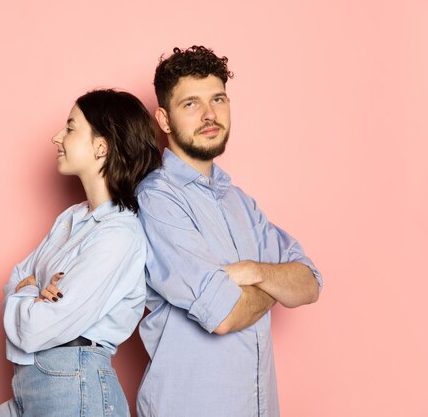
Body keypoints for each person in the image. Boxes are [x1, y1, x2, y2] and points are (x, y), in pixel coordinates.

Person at [135, 46, 323, 417]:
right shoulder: (157, 199)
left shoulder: (240, 203)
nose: (209, 115)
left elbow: (309, 284)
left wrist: (253, 272)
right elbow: (224, 315)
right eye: (190, 104)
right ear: (165, 119)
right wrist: (274, 286)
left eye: (218, 99)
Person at [0, 89, 161, 417]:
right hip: (37, 384)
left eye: (70, 128)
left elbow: (35, 328)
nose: (56, 138)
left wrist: (27, 294)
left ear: (100, 146)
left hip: (73, 384)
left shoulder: (120, 234)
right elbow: (14, 279)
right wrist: (34, 291)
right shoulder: (72, 219)